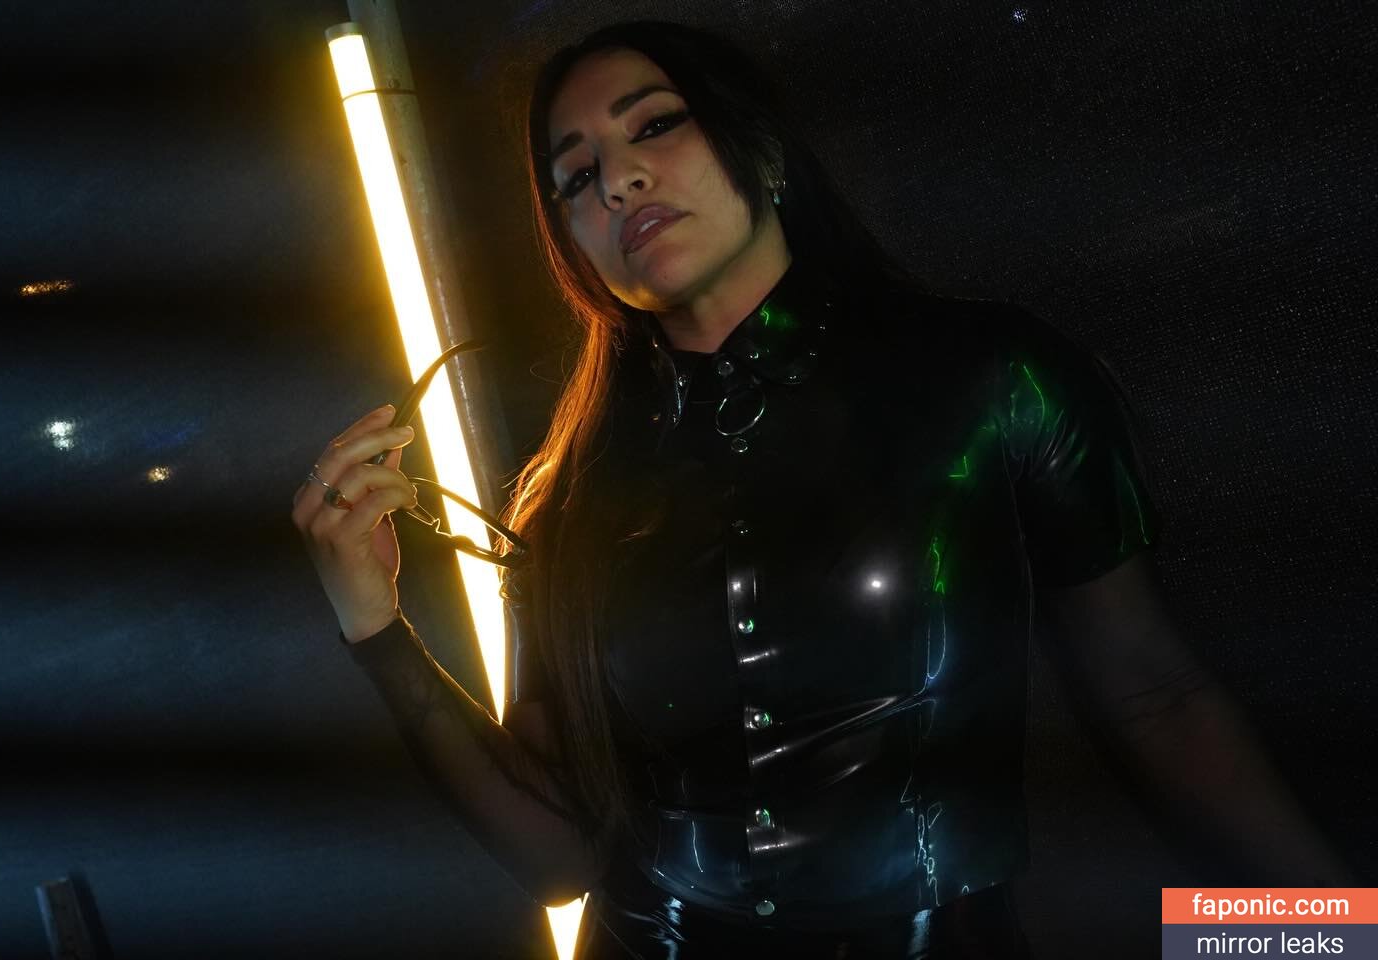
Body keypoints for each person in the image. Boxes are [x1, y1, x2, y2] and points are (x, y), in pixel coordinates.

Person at [292, 20, 1353, 959]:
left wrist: (1334, 931)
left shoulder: (988, 380)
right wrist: (376, 627)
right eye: (577, 177)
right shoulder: (569, 502)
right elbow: (559, 860)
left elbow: (1155, 697)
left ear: (758, 144)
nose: (618, 182)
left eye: (654, 125)